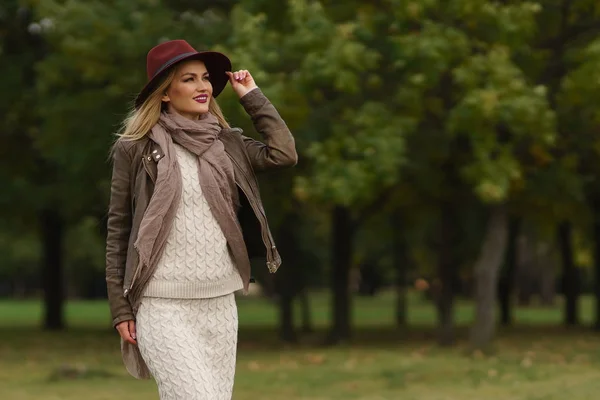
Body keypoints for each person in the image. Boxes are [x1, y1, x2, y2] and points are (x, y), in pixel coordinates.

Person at [105, 39, 297, 400]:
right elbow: (119, 230)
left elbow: (283, 154)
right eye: (189, 79)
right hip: (160, 304)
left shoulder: (226, 143)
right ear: (165, 93)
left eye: (205, 78)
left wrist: (252, 96)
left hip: (219, 302)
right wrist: (120, 308)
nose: (203, 87)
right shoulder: (136, 148)